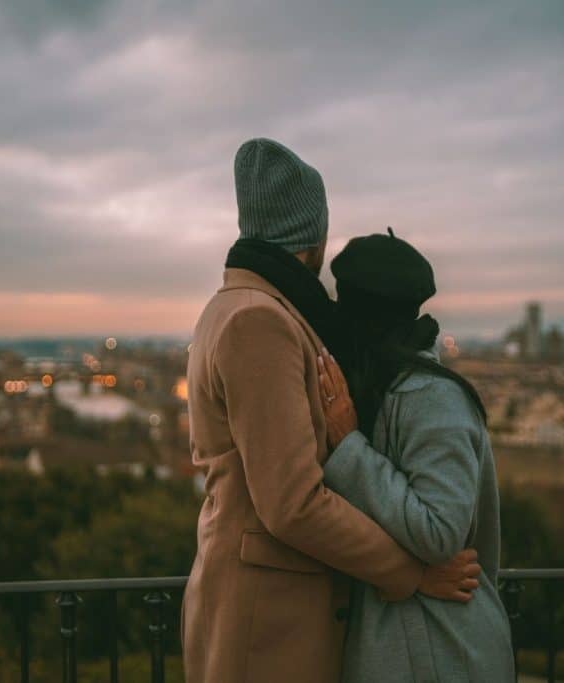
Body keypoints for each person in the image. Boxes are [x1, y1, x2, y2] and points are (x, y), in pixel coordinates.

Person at [181, 139, 481, 683]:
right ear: (312, 235)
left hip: (262, 608)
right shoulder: (261, 322)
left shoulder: (234, 307)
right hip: (270, 619)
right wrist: (409, 573)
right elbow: (293, 503)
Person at [317, 229, 516, 682]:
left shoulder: (431, 396)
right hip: (421, 645)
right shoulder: (394, 388)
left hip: (440, 649)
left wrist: (350, 450)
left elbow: (440, 531)